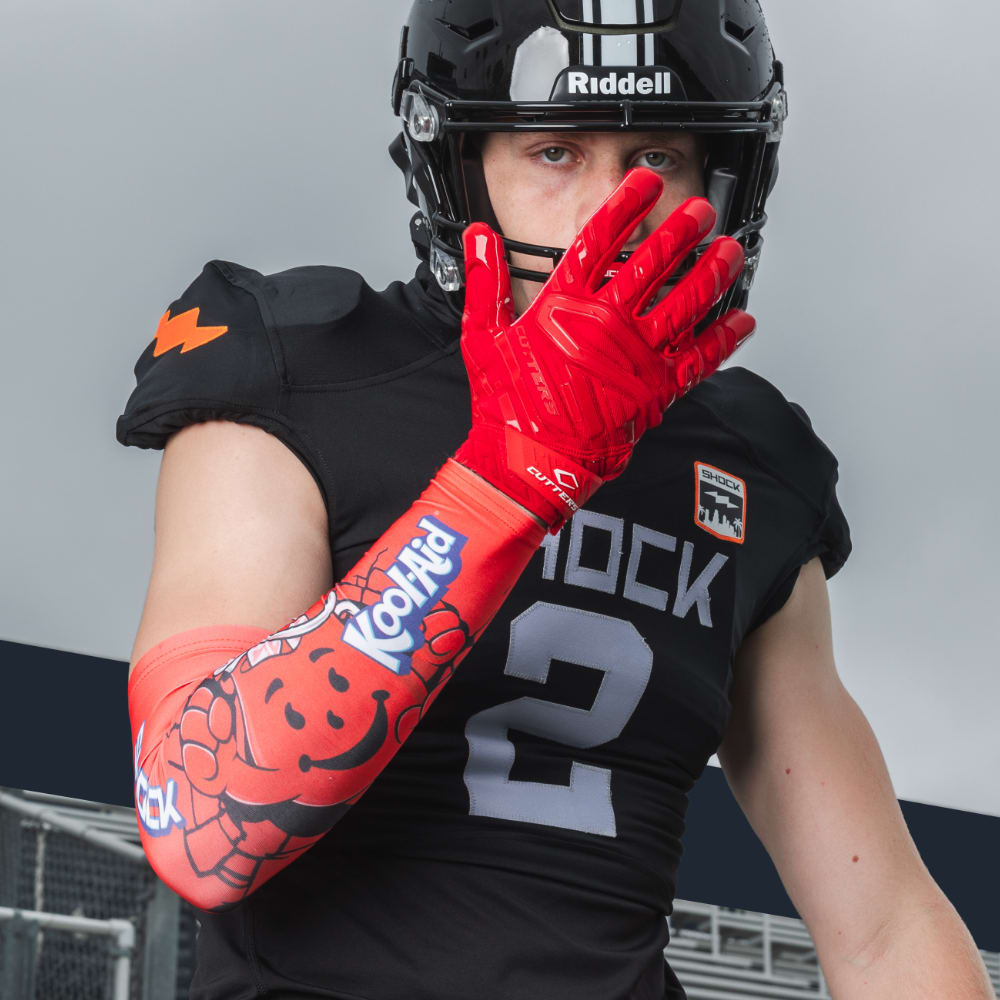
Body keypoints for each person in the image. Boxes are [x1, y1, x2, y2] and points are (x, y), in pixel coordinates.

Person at [117, 3, 995, 999]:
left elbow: (880, 922)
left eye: (655, 156)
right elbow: (201, 820)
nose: (607, 212)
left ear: (725, 175)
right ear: (458, 164)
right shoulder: (299, 371)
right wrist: (501, 483)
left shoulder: (749, 464)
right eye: (552, 151)